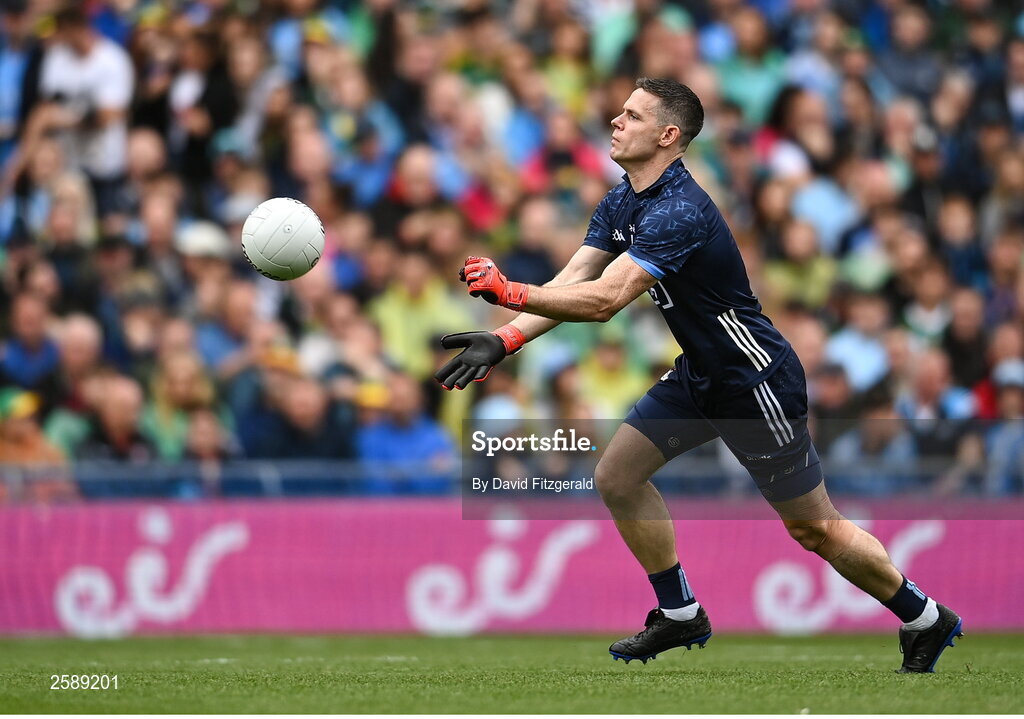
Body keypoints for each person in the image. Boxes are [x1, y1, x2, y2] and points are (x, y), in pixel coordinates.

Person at [435, 77, 962, 673]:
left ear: (668, 135)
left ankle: (924, 616)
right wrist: (505, 338)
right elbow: (573, 281)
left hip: (754, 383)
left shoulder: (680, 211)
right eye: (620, 111)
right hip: (700, 375)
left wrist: (509, 291)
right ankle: (680, 613)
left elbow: (607, 299)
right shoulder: (621, 201)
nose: (615, 121)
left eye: (632, 116)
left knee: (814, 528)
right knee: (618, 477)